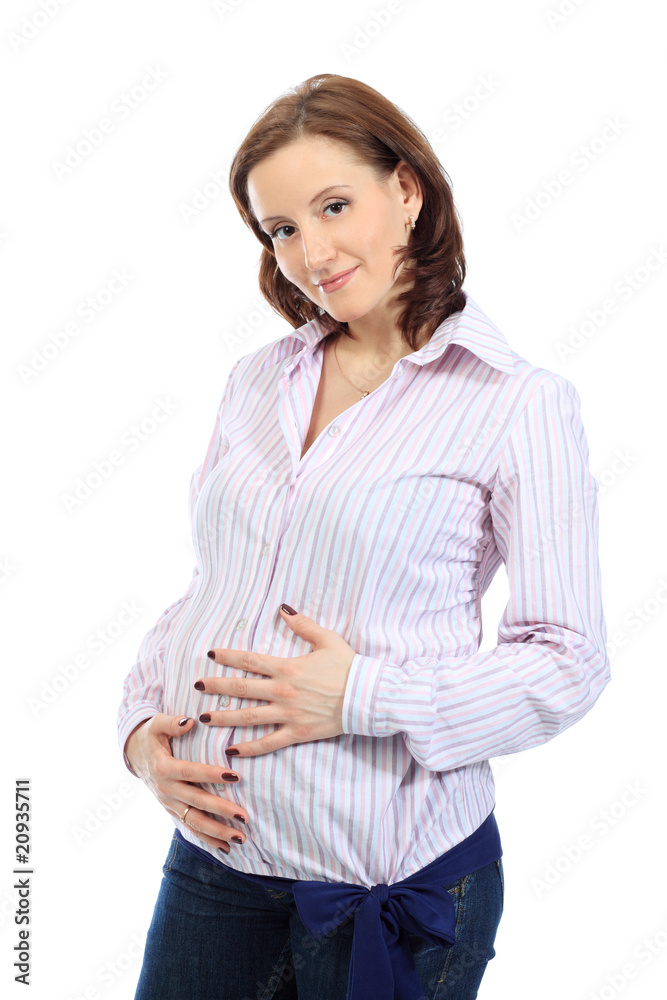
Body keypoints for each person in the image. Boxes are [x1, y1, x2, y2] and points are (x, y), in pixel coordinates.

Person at [117, 73, 611, 1000]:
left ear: (407, 190)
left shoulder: (518, 404)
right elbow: (216, 586)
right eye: (280, 228)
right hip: (217, 862)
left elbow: (567, 659)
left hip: (386, 883)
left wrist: (362, 696)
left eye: (333, 206)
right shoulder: (257, 380)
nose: (310, 253)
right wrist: (141, 732)